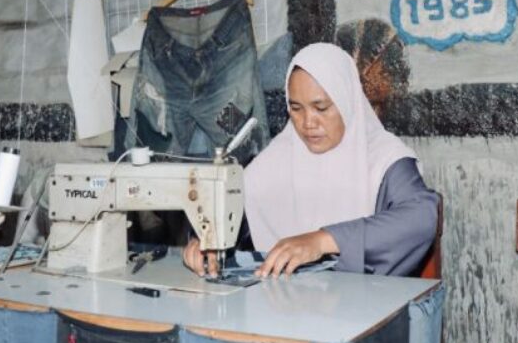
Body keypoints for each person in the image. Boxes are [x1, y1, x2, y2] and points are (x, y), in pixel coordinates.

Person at [182, 42, 438, 278]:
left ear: (347, 101)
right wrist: (206, 240)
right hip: (288, 308)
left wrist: (322, 240)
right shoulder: (277, 159)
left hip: (364, 308)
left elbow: (421, 217)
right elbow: (233, 213)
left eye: (322, 108)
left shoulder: (383, 159)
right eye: (295, 108)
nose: (307, 123)